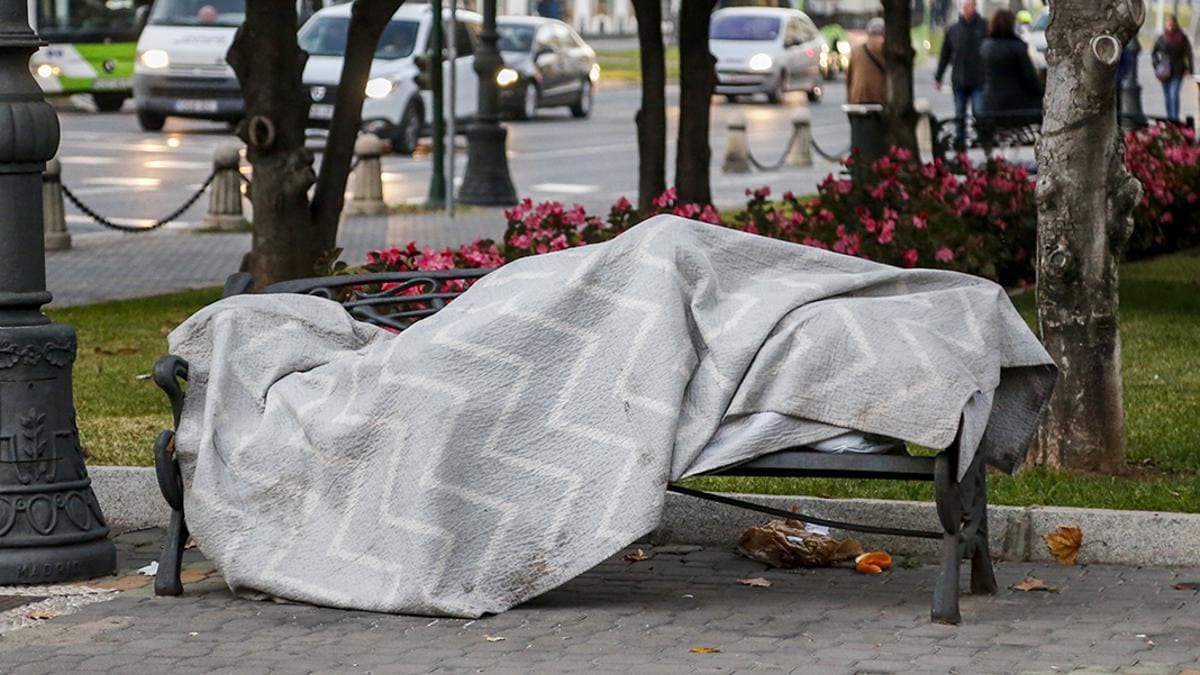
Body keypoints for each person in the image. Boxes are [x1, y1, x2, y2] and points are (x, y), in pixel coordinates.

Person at [935, 0, 988, 148]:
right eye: (965, 7)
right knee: (960, 114)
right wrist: (938, 77)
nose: (967, 10)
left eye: (969, 6)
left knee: (979, 112)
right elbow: (945, 55)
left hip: (978, 78)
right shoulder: (954, 30)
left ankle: (982, 139)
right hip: (959, 78)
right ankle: (960, 142)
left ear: (975, 7)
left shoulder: (983, 26)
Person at [980, 9, 1043, 114]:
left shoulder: (986, 47)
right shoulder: (1017, 47)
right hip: (1017, 105)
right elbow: (1029, 77)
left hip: (991, 106)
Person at [1153, 16, 1194, 121]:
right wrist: (1156, 65)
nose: (1170, 26)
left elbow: (1188, 53)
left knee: (1173, 94)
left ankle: (1175, 119)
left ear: (1175, 24)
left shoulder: (1182, 37)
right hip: (1164, 71)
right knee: (1167, 97)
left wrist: (1190, 68)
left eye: (1171, 24)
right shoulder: (1162, 38)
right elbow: (1154, 53)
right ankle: (1170, 119)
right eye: (1168, 24)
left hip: (1178, 70)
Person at [846, 17, 886, 105]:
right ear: (884, 32)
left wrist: (850, 98)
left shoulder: (856, 50)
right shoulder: (887, 49)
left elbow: (849, 77)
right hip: (880, 96)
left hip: (859, 96)